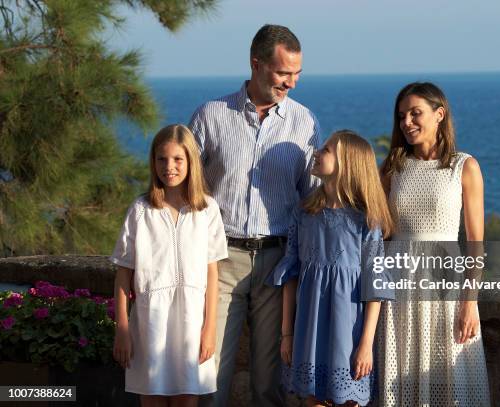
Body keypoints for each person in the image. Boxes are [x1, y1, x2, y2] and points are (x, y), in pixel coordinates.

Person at [188, 24, 320, 407]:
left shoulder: (305, 122)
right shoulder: (210, 116)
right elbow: (183, 184)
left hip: (278, 263)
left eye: (296, 74)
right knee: (209, 374)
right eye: (283, 73)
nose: (291, 83)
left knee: (270, 384)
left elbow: (312, 197)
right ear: (256, 64)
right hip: (219, 260)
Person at [377, 82, 491, 406]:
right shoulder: (393, 167)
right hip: (398, 284)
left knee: (448, 380)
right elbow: (377, 230)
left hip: (447, 286)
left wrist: (470, 301)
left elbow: (475, 242)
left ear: (439, 114)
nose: (407, 123)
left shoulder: (463, 166)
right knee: (400, 378)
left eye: (416, 113)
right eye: (402, 116)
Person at [267, 130, 395, 407]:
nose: (316, 152)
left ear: (347, 163)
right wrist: (287, 334)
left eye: (325, 149)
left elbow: (376, 287)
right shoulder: (304, 212)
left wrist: (365, 345)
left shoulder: (366, 221)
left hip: (349, 330)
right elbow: (290, 275)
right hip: (308, 328)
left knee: (349, 400)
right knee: (313, 399)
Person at [111, 124, 227, 407]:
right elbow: (123, 275)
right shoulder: (141, 210)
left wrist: (209, 329)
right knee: (152, 398)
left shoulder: (207, 210)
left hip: (192, 323)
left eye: (178, 159)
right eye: (161, 159)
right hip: (151, 322)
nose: (169, 167)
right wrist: (122, 329)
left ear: (191, 162)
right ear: (153, 162)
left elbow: (212, 274)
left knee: (188, 398)